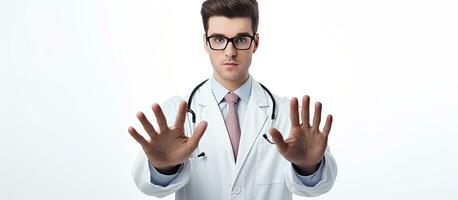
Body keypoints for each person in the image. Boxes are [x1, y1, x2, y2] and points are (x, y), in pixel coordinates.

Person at [128, 0, 337, 199]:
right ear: (206, 43)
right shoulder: (177, 113)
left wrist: (308, 167)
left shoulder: (286, 115)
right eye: (219, 39)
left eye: (240, 39)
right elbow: (146, 185)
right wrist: (163, 168)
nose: (230, 52)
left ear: (255, 43)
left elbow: (321, 186)